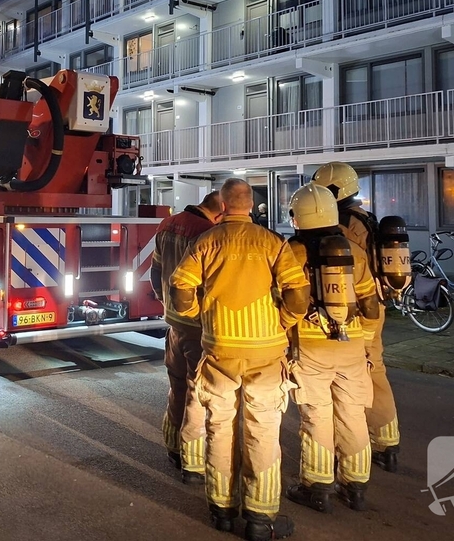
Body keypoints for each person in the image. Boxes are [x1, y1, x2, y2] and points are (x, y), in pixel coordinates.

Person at [170, 178, 310, 540]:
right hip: (265, 354)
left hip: (219, 351)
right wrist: (283, 321)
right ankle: (261, 519)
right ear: (250, 205)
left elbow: (179, 285)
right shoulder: (273, 243)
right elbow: (298, 293)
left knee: (220, 428)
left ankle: (221, 509)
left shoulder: (207, 241)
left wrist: (200, 312)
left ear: (222, 203)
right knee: (262, 433)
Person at [283, 183, 380, 513]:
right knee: (353, 414)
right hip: (352, 347)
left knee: (317, 415)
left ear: (298, 216)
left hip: (311, 347)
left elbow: (281, 300)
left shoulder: (292, 252)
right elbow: (370, 306)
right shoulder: (355, 251)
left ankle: (317, 485)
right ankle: (356, 485)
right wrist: (364, 343)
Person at [312, 161, 401, 472]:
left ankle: (355, 446)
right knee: (375, 370)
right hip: (374, 304)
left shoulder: (344, 223)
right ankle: (386, 441)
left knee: (355, 380)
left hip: (355, 307)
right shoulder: (366, 217)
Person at [150, 190, 223, 483]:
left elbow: (156, 272)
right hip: (196, 325)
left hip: (174, 324)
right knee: (198, 392)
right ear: (220, 212)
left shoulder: (168, 223)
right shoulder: (207, 232)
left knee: (177, 387)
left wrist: (164, 301)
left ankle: (173, 446)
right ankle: (192, 461)